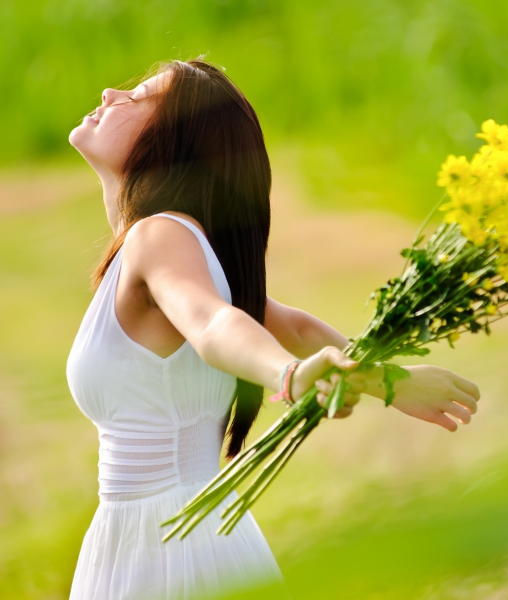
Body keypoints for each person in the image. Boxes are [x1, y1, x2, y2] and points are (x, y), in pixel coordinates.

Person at [65, 57, 481, 599]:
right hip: (172, 533)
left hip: (165, 543)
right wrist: (389, 381)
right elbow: (292, 325)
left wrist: (289, 376)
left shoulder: (159, 237)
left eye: (137, 97)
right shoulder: (165, 244)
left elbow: (216, 324)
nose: (108, 93)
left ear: (171, 144)